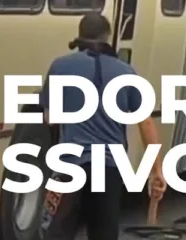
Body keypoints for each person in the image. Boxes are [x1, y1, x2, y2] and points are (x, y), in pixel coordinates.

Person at [38, 13, 166, 240]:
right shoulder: (126, 73)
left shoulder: (60, 67)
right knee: (103, 233)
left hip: (69, 165)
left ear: (79, 35)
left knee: (55, 232)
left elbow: (50, 117)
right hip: (108, 168)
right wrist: (156, 171)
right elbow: (145, 123)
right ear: (108, 38)